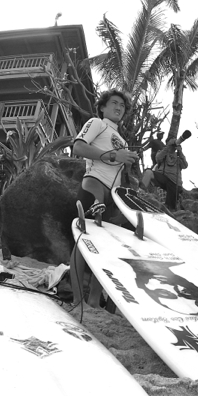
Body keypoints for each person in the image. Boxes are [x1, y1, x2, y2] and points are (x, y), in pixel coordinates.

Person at [71, 89, 139, 307]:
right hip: (94, 184)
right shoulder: (97, 123)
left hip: (113, 195)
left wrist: (127, 161)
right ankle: (77, 298)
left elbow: (119, 170)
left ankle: (94, 301)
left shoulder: (123, 141)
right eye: (114, 103)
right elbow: (78, 146)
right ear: (102, 107)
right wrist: (112, 155)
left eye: (123, 105)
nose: (119, 107)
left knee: (105, 247)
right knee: (83, 239)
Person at [142, 136, 188, 210]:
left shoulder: (178, 156)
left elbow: (185, 166)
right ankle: (140, 192)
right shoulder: (163, 152)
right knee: (148, 172)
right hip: (163, 178)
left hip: (175, 183)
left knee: (170, 208)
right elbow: (158, 158)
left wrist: (180, 152)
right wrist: (167, 148)